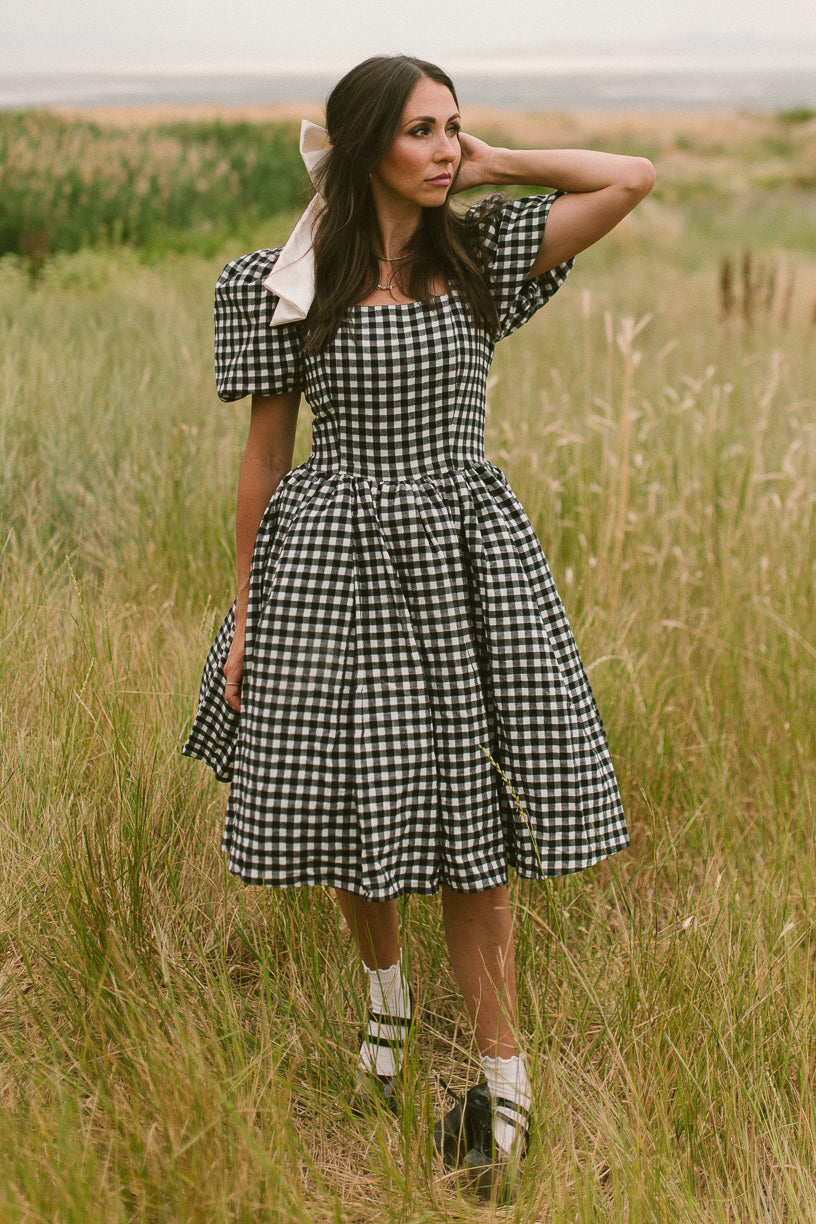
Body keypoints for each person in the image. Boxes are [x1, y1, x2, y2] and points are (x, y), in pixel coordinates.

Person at [183, 53, 654, 1198]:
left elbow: (630, 178)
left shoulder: (482, 251)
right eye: (422, 133)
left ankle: (504, 1082)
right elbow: (263, 459)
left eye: (456, 127)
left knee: (472, 827)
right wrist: (245, 616)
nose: (445, 148)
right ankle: (385, 997)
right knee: (358, 804)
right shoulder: (280, 280)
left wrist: (495, 161)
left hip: (463, 562)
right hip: (330, 562)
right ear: (358, 148)